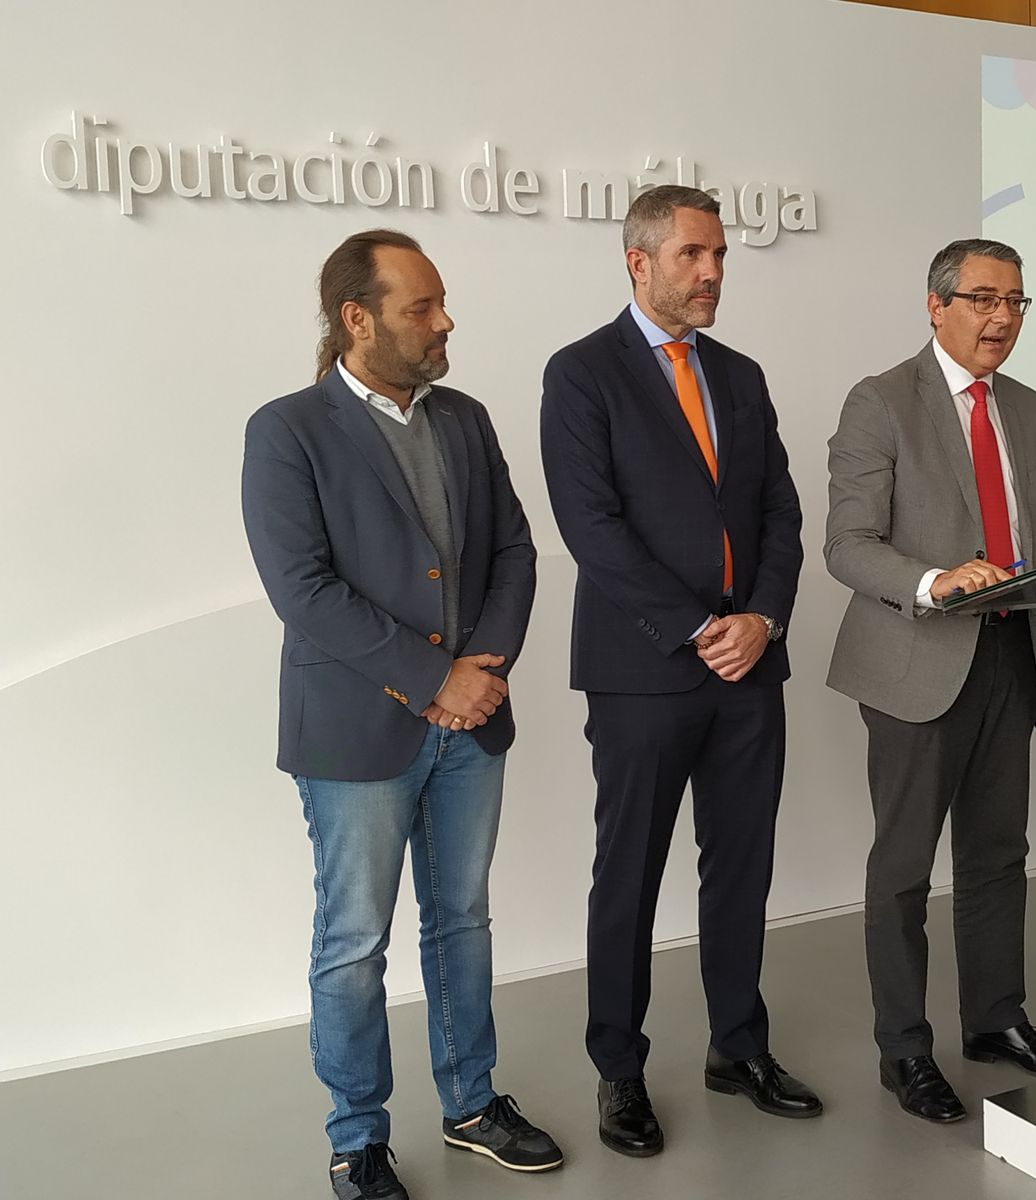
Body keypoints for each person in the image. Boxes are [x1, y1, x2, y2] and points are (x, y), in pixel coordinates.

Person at [242, 230, 558, 1200]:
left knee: (462, 921)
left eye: (441, 302)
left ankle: (471, 1104)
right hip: (357, 733)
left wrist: (481, 669)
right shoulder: (287, 430)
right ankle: (357, 1140)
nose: (444, 321)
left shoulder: (464, 418)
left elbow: (514, 551)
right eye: (421, 307)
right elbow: (303, 590)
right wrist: (433, 680)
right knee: (354, 942)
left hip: (472, 723)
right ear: (358, 318)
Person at [540, 185, 818, 1159]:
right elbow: (591, 528)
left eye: (720, 255)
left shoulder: (739, 373)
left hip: (750, 666)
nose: (712, 272)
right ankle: (619, 1069)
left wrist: (762, 620)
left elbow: (780, 513)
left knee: (741, 866)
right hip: (644, 671)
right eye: (693, 254)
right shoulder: (581, 373)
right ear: (639, 261)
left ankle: (738, 1046)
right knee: (630, 873)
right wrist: (702, 626)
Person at [824, 238, 1036, 1126]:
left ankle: (995, 1020)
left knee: (998, 855)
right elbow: (847, 545)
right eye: (983, 298)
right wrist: (934, 580)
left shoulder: (1025, 405)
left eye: (1015, 301)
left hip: (1014, 656)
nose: (1001, 317)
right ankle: (904, 1050)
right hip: (917, 662)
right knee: (904, 867)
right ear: (936, 305)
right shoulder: (880, 401)